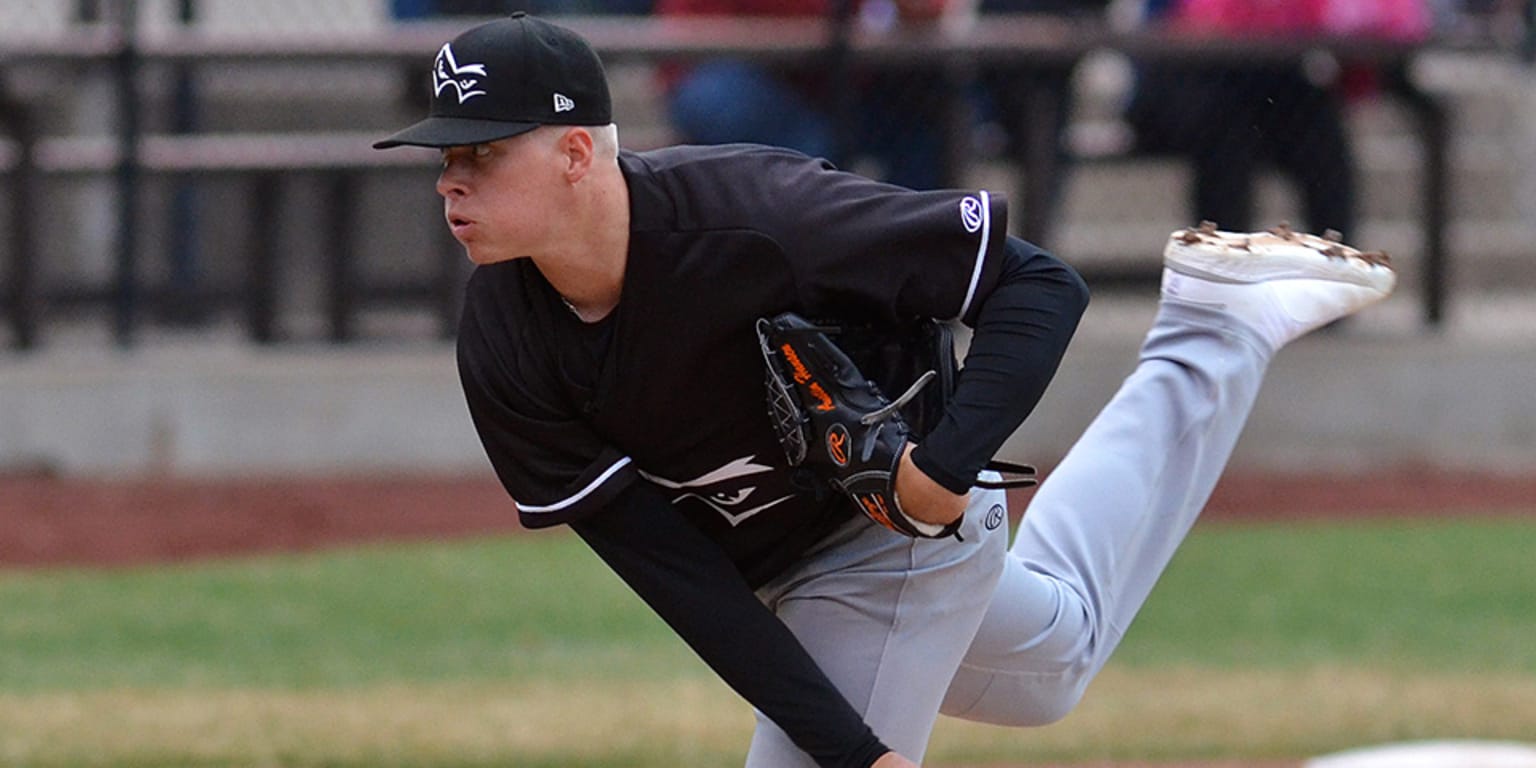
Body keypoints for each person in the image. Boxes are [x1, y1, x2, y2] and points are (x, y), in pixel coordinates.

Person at [373, 13, 1396, 768]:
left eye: (478, 154)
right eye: (443, 157)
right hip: (793, 575)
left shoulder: (760, 217)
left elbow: (1038, 284)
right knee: (1056, 657)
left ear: (574, 153)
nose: (447, 182)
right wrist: (852, 749)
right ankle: (1214, 326)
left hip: (890, 534)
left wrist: (943, 471)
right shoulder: (504, 342)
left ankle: (1206, 331)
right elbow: (677, 576)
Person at [1124, 0, 1430, 238]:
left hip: (1271, 80)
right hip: (1190, 84)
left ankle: (1335, 272)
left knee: (1319, 126)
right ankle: (1222, 273)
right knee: (1225, 137)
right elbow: (1193, 25)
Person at [656, 0, 951, 190]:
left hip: (837, 81)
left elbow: (925, 11)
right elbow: (691, 34)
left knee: (925, 105)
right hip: (731, 72)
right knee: (805, 146)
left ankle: (922, 249)